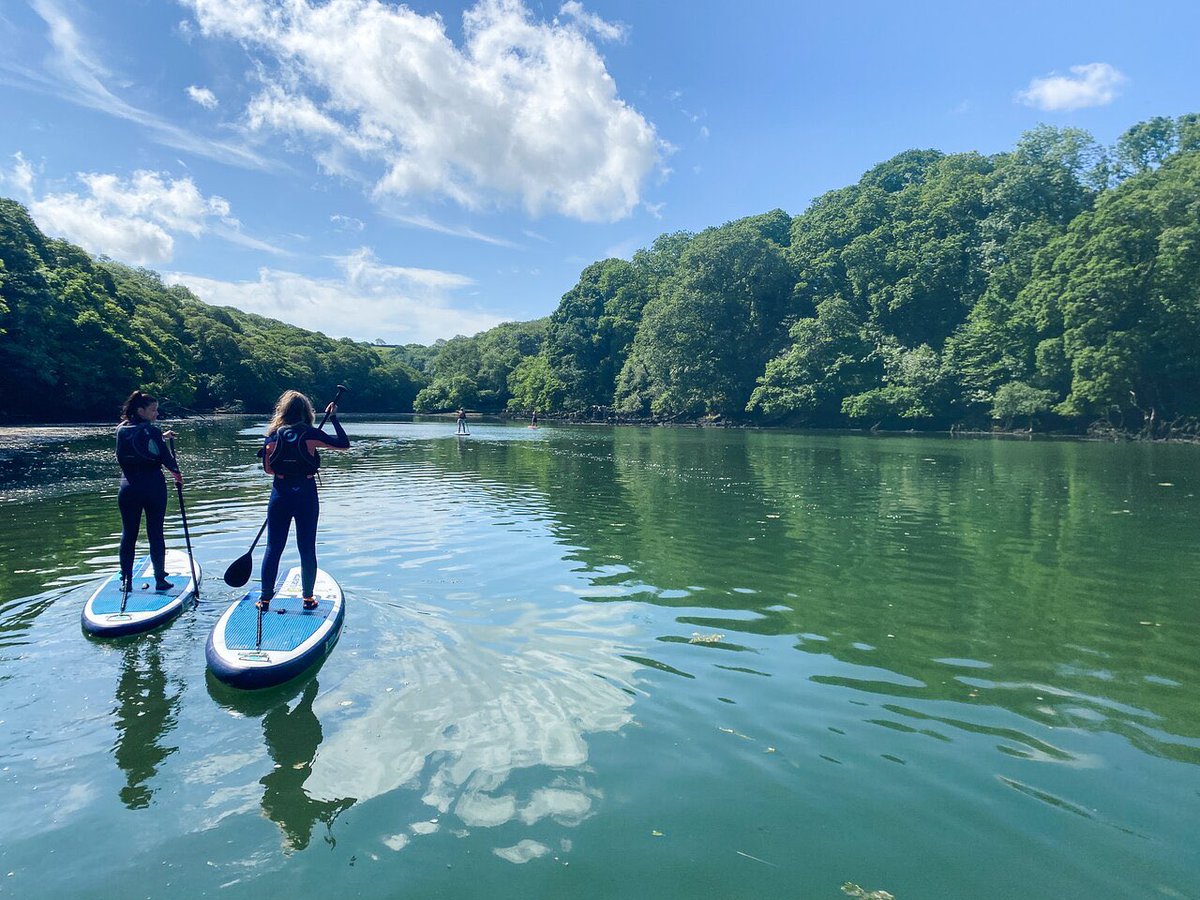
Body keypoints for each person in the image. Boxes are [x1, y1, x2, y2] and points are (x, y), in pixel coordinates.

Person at [257, 390, 350, 612]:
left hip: (280, 493)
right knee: (306, 547)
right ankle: (308, 599)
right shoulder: (310, 434)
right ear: (306, 412)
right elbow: (343, 444)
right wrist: (334, 417)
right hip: (306, 494)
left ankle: (265, 600)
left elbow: (269, 469)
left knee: (273, 547)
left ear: (283, 410)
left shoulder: (272, 436)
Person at [116, 390, 182, 593]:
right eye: (153, 410)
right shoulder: (152, 431)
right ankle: (160, 579)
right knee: (155, 533)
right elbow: (166, 458)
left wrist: (161, 436)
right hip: (153, 486)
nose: (156, 414)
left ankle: (126, 581)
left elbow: (137, 444)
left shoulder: (121, 430)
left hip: (128, 488)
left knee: (129, 534)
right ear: (141, 410)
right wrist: (177, 475)